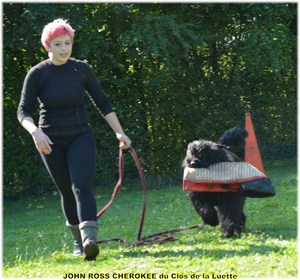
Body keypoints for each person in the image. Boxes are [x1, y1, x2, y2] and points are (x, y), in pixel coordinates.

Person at [17, 18, 132, 261]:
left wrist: (119, 132)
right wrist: (35, 132)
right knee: (67, 192)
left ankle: (90, 239)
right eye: (57, 44)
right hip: (50, 141)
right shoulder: (37, 73)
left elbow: (102, 101)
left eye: (67, 43)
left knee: (81, 185)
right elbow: (23, 111)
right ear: (48, 46)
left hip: (81, 135)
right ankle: (78, 243)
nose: (64, 48)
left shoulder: (82, 69)